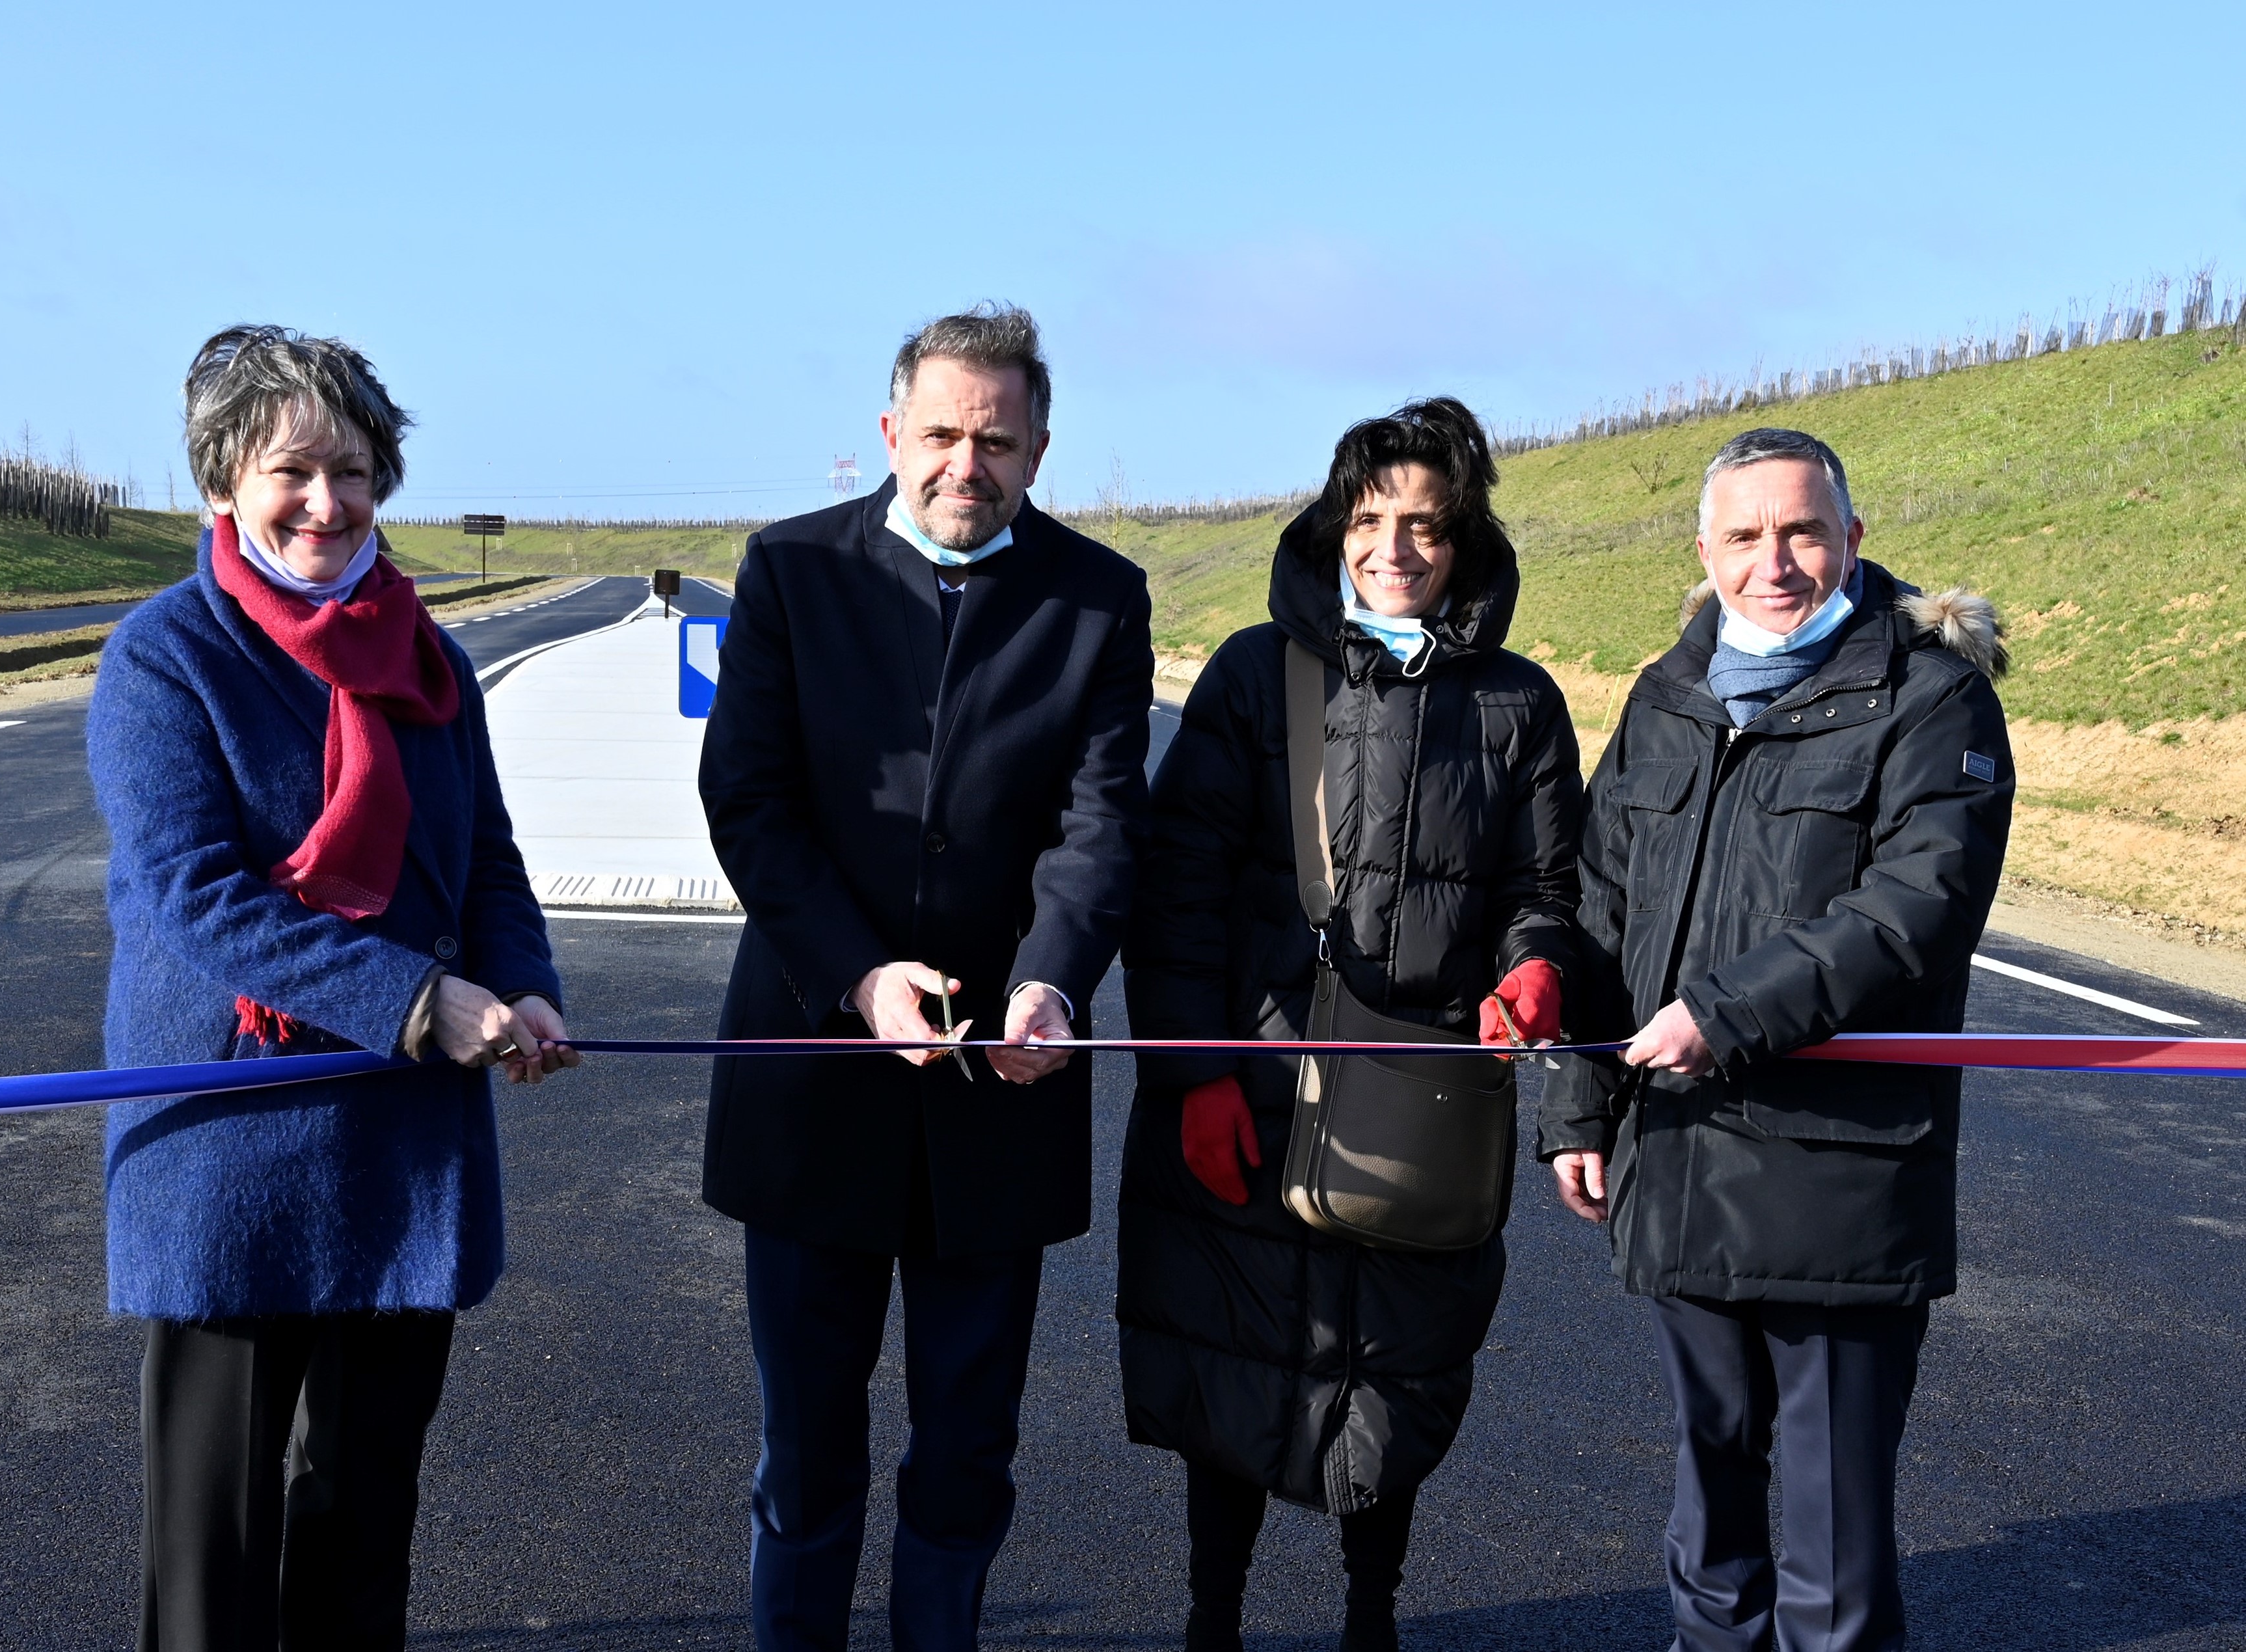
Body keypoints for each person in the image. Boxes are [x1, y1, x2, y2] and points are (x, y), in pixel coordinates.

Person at [88, 325, 577, 1652]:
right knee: (216, 1551)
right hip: (228, 1139)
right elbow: (198, 900)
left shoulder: (431, 661)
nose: (326, 499)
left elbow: (487, 863)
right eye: (290, 469)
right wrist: (425, 1002)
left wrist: (521, 986)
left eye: (353, 468)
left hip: (401, 1140)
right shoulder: (165, 657)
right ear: (222, 486)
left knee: (363, 1525)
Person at [697, 304, 1154, 1651]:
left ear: (1040, 447)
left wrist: (1053, 981)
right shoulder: (789, 571)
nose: (969, 462)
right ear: (892, 433)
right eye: (944, 433)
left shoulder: (1098, 596)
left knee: (966, 1447)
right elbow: (750, 801)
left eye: (998, 440)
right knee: (809, 1445)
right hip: (811, 1074)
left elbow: (1101, 822)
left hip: (1002, 1085)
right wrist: (855, 976)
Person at [1117, 398, 1584, 1652]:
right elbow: (1178, 893)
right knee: (1230, 1360)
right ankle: (1211, 1621)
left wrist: (1533, 970)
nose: (1395, 547)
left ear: (1465, 537)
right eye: (1370, 520)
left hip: (1421, 1106)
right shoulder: (1248, 677)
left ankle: (1371, 1619)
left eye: (1426, 524)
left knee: (1396, 1372)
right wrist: (1193, 1075)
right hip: (1247, 1096)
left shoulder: (1522, 705)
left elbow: (1545, 894)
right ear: (1334, 527)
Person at [1539, 427, 2012, 1652]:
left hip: (1840, 1182)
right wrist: (1580, 1110)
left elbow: (1919, 906)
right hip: (1679, 1161)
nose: (1776, 560)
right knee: (1711, 1530)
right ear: (1705, 550)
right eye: (1745, 535)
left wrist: (1728, 1014)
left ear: (1853, 538)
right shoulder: (1665, 695)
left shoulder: (1933, 694)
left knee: (1834, 1552)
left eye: (1804, 530)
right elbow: (1600, 908)